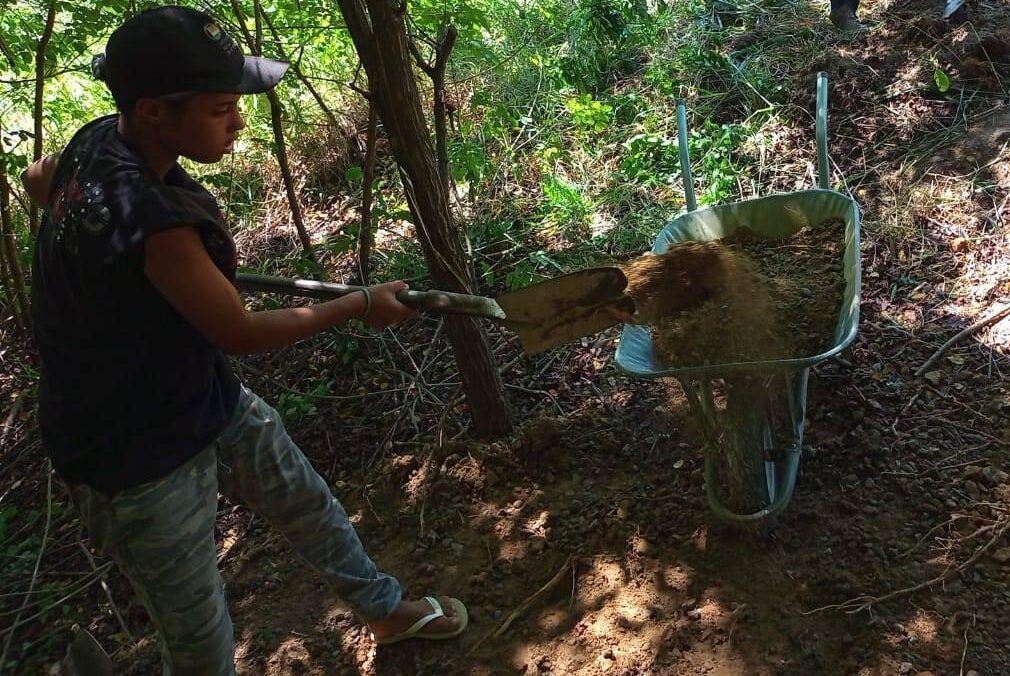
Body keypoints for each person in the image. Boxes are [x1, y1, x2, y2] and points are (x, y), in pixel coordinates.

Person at [22, 6, 467, 673]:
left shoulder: (95, 141)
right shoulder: (155, 221)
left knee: (306, 501)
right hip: (134, 458)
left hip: (197, 396)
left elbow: (37, 179)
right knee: (201, 642)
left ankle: (383, 611)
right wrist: (357, 305)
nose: (238, 122)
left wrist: (74, 220)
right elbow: (240, 329)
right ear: (151, 110)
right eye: (221, 108)